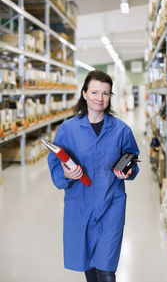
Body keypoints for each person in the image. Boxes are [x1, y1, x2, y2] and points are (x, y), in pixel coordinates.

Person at [48, 70, 140, 282]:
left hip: (111, 206)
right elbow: (55, 166)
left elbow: (132, 161)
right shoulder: (67, 130)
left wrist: (129, 171)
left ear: (110, 97)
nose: (100, 98)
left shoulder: (121, 130)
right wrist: (66, 173)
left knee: (106, 271)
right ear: (84, 94)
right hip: (81, 207)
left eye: (106, 94)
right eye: (95, 92)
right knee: (89, 267)